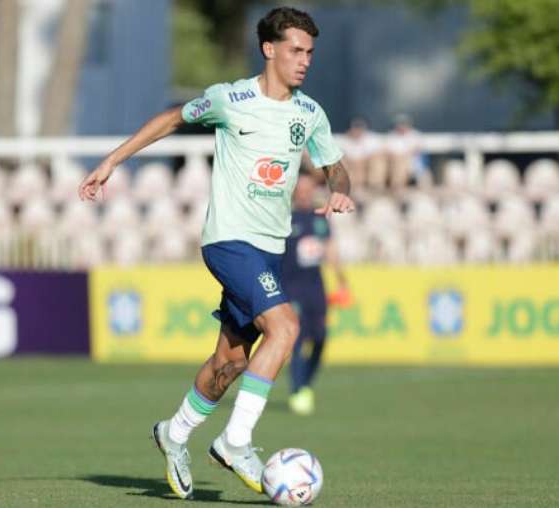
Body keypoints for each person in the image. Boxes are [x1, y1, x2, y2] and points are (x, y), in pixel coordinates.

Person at [78, 6, 354, 500]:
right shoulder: (232, 99)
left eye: (310, 52)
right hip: (229, 240)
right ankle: (235, 441)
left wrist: (338, 188)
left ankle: (175, 433)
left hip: (270, 249)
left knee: (229, 363)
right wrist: (112, 161)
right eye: (295, 50)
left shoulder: (310, 113)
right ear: (269, 50)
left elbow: (335, 164)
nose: (304, 60)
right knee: (286, 328)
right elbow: (170, 119)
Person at [282, 171, 348, 416]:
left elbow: (330, 250)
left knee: (320, 339)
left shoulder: (321, 219)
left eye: (309, 189)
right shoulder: (285, 218)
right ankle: (297, 390)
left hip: (316, 288)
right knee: (297, 341)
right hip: (292, 288)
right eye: (301, 189)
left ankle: (306, 384)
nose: (305, 193)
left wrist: (342, 281)